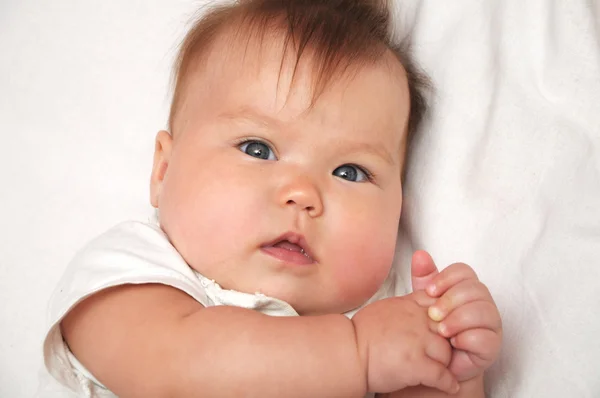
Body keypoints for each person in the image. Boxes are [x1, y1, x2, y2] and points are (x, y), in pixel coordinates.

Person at [42, 0, 502, 397]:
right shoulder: (130, 271)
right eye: (257, 149)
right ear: (163, 170)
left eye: (350, 172)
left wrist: (442, 364)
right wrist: (358, 352)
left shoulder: (379, 315)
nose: (303, 194)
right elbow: (178, 371)